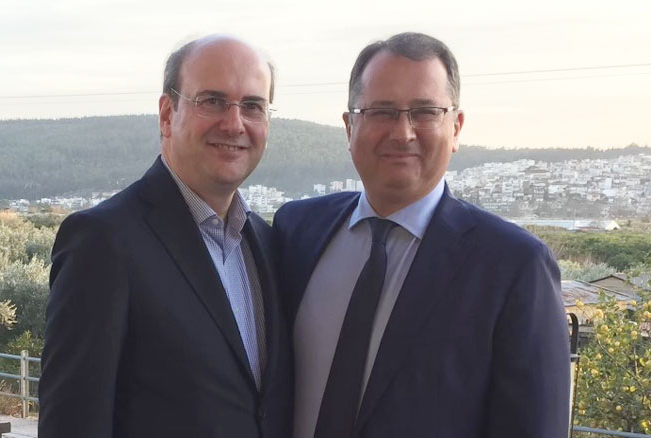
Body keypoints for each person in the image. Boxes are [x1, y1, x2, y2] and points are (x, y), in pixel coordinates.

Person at [274, 32, 570, 438]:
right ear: (349, 127)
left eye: (425, 112)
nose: (403, 133)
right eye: (381, 111)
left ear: (456, 127)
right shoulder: (296, 230)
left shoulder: (514, 267)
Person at [39, 35, 291, 438]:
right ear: (166, 114)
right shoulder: (103, 242)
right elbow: (72, 423)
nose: (234, 123)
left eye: (252, 106)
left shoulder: (268, 242)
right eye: (212, 101)